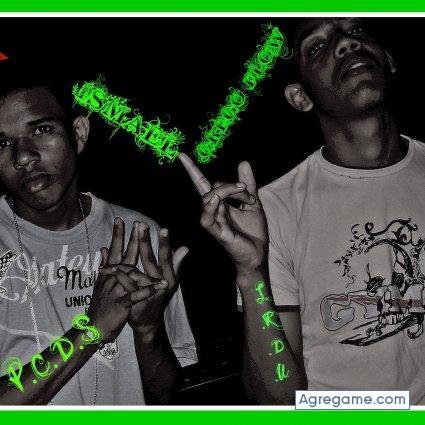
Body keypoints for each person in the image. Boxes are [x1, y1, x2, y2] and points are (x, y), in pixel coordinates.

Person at [180, 17, 425, 404]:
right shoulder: (275, 210)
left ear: (389, 60)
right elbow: (277, 400)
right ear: (300, 97)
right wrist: (251, 272)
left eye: (356, 30)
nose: (346, 43)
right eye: (317, 46)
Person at [0, 64, 197, 405]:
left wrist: (148, 330)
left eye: (41, 130)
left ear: (78, 134)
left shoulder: (140, 237)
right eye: (2, 143)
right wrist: (91, 330)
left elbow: (167, 397)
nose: (24, 157)